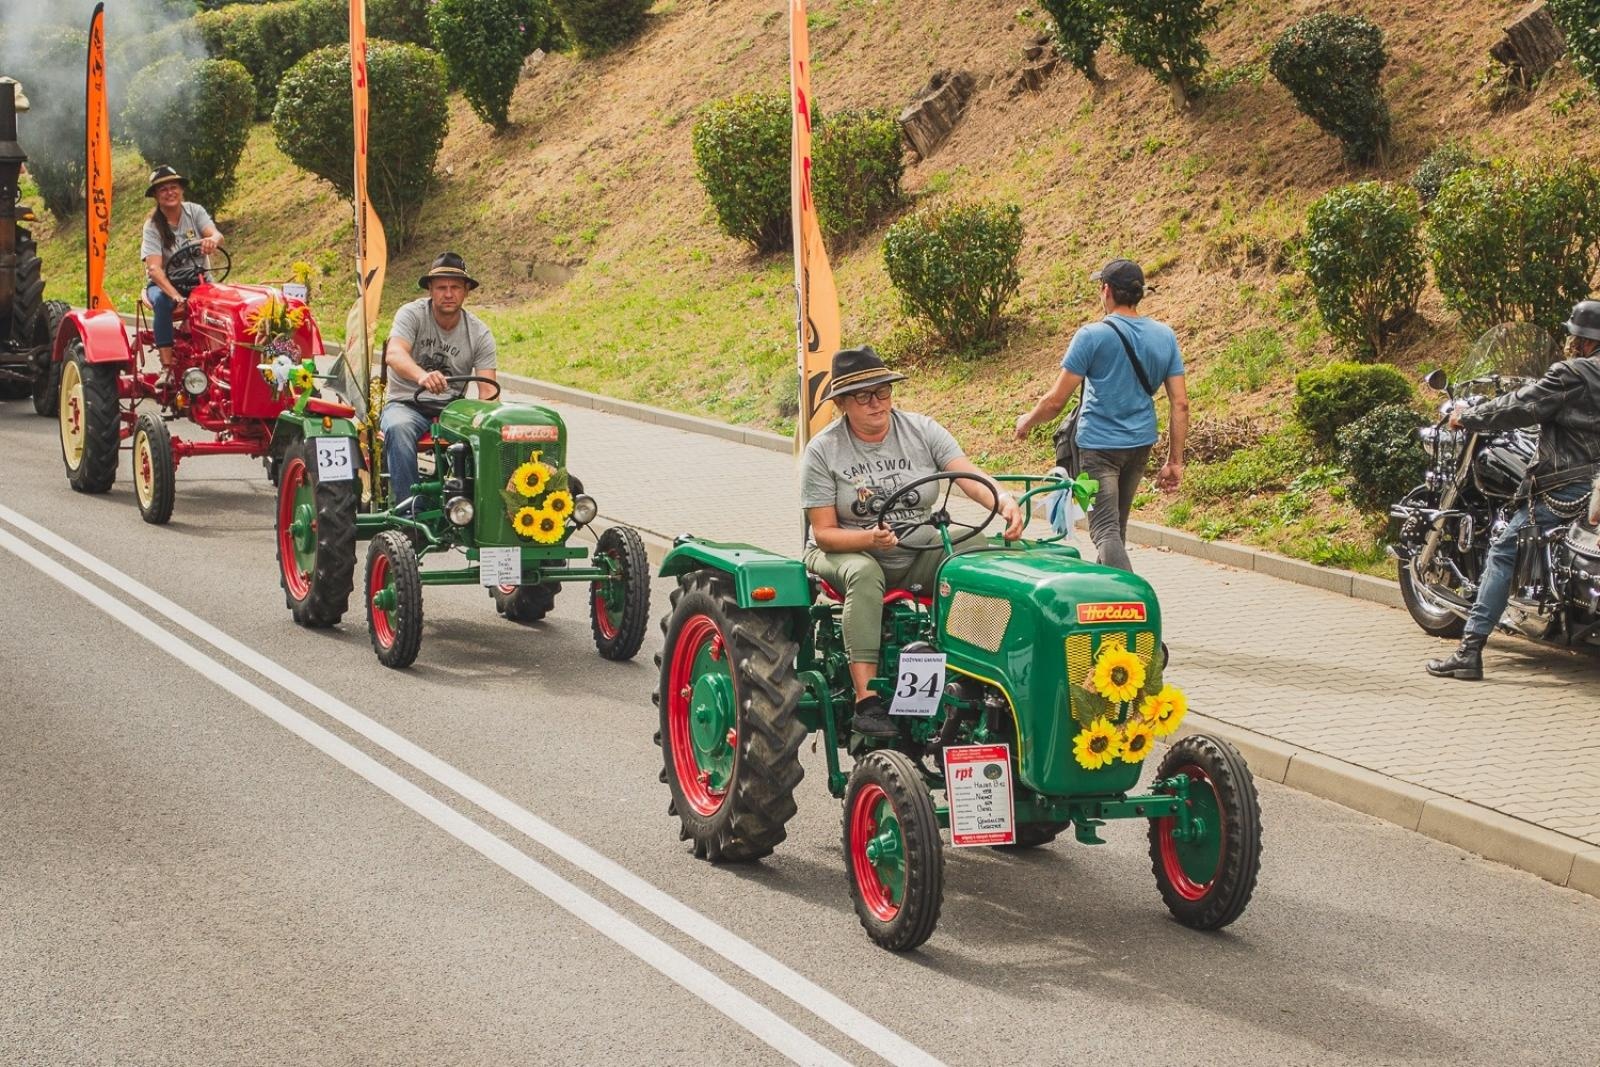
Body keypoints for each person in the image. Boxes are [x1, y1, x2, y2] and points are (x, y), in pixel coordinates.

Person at [802, 346, 1025, 738]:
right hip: (847, 549)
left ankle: (971, 671)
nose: (877, 402)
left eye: (883, 391)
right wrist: (868, 538)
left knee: (974, 554)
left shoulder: (921, 430)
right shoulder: (824, 449)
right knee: (864, 574)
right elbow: (823, 533)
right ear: (841, 404)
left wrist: (1002, 500)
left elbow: (966, 475)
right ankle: (867, 701)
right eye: (863, 396)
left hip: (916, 546)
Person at [1425, 301, 1600, 680]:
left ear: (1585, 341)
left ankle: (1469, 651)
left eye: (1573, 337)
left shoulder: (1572, 374)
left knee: (1504, 550)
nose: (1571, 343)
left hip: (1570, 485)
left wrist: (1469, 416)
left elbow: (1521, 404)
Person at [1013, 259, 1188, 572]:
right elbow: (1181, 404)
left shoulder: (1091, 336)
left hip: (1100, 448)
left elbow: (1055, 401)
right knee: (1116, 528)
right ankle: (1106, 596)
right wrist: (1174, 461)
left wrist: (1028, 420)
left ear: (1106, 290)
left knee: (1104, 530)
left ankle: (1130, 596)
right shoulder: (1165, 336)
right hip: (1140, 444)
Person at [381, 251, 499, 509]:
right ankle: (410, 512)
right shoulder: (411, 314)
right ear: (430, 290)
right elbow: (394, 353)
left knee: (488, 435)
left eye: (455, 287)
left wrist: (486, 423)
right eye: (441, 287)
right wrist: (422, 376)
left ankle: (478, 508)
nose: (448, 294)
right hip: (406, 404)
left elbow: (488, 392)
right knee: (398, 428)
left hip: (452, 410)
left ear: (466, 291)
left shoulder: (479, 333)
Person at [140, 166, 222, 371]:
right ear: (156, 196)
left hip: (198, 280)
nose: (170, 192)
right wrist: (176, 296)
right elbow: (154, 269)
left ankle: (220, 356)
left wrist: (212, 240)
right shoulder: (152, 226)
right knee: (161, 301)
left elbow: (216, 234)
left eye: (173, 187)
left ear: (181, 190)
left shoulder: (195, 211)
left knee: (223, 302)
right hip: (166, 284)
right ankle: (167, 366)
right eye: (163, 189)